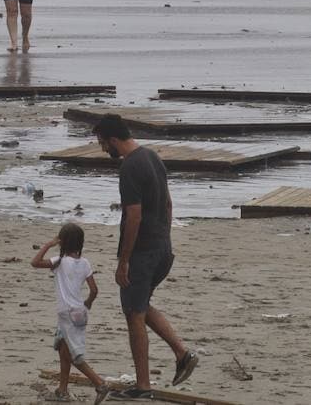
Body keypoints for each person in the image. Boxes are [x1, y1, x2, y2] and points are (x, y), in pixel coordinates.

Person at [94, 115, 198, 400]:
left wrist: (124, 260)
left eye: (103, 143)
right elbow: (168, 202)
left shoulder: (129, 166)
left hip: (143, 253)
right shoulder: (152, 156)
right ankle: (181, 353)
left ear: (113, 139)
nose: (103, 149)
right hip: (162, 247)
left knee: (133, 315)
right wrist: (164, 237)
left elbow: (134, 215)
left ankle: (143, 385)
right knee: (140, 306)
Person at [31, 223, 109, 405]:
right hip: (79, 312)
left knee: (75, 355)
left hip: (66, 314)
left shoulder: (59, 261)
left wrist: (48, 245)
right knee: (63, 350)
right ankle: (62, 390)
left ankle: (100, 383)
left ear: (62, 242)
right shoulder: (85, 263)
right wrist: (87, 304)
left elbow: (35, 262)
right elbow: (94, 290)